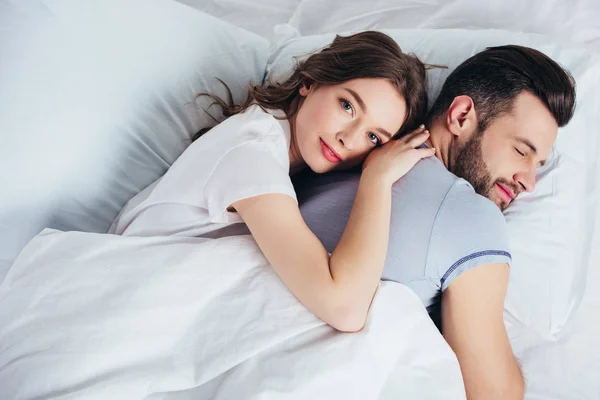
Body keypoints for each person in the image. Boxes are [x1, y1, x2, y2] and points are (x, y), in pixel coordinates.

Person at [293, 44, 576, 400]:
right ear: (460, 116)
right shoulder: (473, 216)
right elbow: (493, 393)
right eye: (522, 151)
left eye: (539, 166)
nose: (528, 182)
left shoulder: (337, 154)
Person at [109, 31, 435, 332]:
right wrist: (377, 180)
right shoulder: (254, 151)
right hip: (129, 295)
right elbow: (345, 309)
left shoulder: (279, 149)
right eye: (347, 105)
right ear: (310, 81)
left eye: (374, 138)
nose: (348, 139)